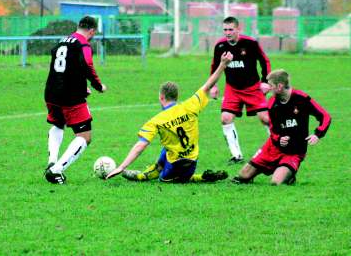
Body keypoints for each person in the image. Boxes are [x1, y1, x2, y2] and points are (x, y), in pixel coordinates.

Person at [105, 52, 234, 183]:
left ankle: (201, 177)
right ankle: (143, 175)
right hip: (192, 161)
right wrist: (223, 64)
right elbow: (208, 85)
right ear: (176, 96)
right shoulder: (190, 105)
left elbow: (140, 145)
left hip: (176, 166)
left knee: (163, 179)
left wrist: (121, 167)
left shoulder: (156, 120)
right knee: (167, 148)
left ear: (161, 97)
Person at [231, 69, 331, 185]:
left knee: (275, 182)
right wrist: (279, 139)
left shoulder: (301, 98)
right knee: (243, 176)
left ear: (279, 86)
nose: (268, 88)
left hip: (294, 152)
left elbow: (325, 116)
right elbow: (273, 130)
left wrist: (318, 134)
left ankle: (289, 176)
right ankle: (267, 168)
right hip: (273, 147)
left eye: (270, 85)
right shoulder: (272, 103)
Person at [44, 16, 107, 184]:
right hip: (70, 97)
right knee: (85, 136)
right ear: (92, 31)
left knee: (58, 124)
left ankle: (51, 162)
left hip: (51, 92)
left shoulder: (61, 42)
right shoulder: (83, 45)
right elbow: (87, 64)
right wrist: (98, 85)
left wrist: (81, 86)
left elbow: (63, 68)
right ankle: (56, 170)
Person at [210, 16, 271, 164]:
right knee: (225, 119)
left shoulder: (250, 43)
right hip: (233, 89)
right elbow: (215, 66)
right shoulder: (220, 46)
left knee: (266, 119)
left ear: (238, 29)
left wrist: (265, 82)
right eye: (225, 29)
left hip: (253, 88)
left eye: (231, 29)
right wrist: (213, 85)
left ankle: (278, 148)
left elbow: (265, 61)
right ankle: (236, 156)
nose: (228, 32)